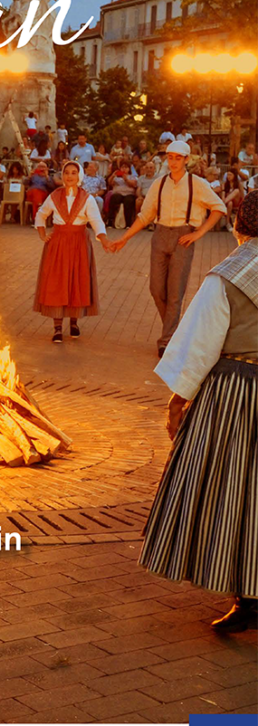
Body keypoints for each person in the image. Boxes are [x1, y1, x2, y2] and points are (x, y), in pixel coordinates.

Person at [140, 191, 258, 632]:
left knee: (236, 493)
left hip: (235, 396)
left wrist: (178, 400)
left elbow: (199, 348)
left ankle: (247, 596)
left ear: (238, 228)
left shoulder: (225, 278)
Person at [112, 140, 226, 355]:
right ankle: (177, 332)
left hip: (184, 237)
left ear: (186, 159)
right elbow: (145, 215)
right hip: (160, 235)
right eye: (170, 157)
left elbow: (219, 208)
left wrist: (198, 233)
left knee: (175, 293)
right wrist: (125, 238)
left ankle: (167, 340)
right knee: (156, 289)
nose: (173, 161)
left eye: (178, 158)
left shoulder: (197, 184)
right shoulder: (159, 183)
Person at [34, 160, 110, 342]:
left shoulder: (87, 198)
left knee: (77, 280)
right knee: (57, 282)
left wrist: (104, 239)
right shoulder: (54, 196)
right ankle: (57, 326)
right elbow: (41, 214)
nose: (69, 176)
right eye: (66, 172)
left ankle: (74, 322)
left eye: (73, 173)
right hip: (58, 244)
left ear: (79, 176)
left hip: (79, 244)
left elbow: (96, 221)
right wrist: (42, 233)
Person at [106, 159, 138, 227]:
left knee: (128, 201)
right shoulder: (117, 177)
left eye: (126, 167)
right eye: (122, 167)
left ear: (129, 169)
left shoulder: (132, 176)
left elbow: (133, 184)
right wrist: (112, 176)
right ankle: (110, 221)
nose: (124, 169)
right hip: (118, 193)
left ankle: (128, 223)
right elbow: (110, 183)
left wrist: (126, 179)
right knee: (114, 198)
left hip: (129, 194)